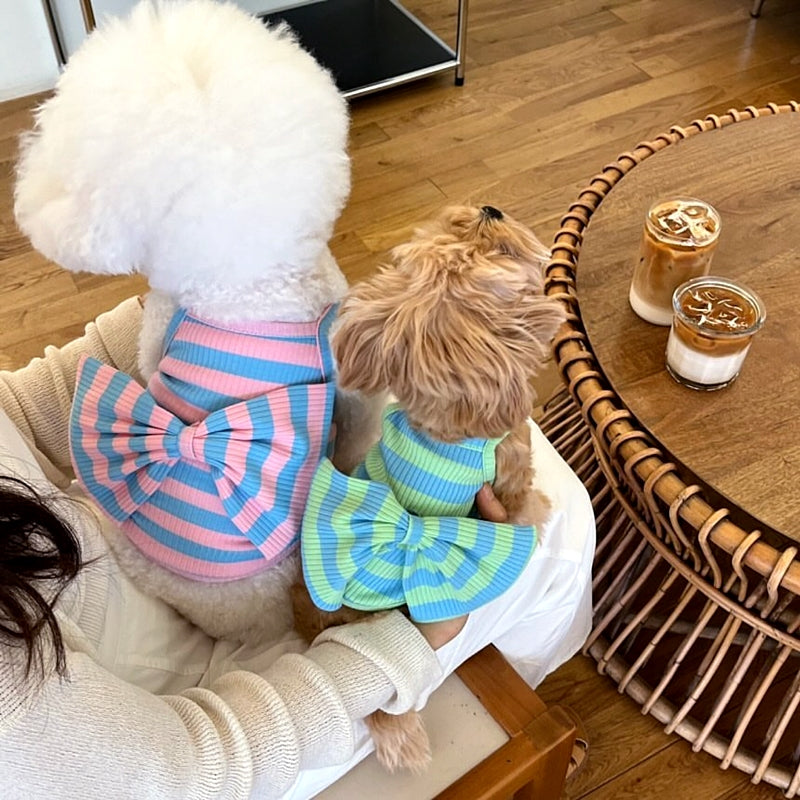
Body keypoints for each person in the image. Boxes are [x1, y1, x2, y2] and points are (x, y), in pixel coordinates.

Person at [0, 297, 595, 799]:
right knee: (555, 526)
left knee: (441, 426)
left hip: (123, 515)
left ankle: (495, 698)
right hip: (205, 712)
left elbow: (18, 412)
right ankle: (514, 707)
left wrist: (207, 309)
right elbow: (187, 773)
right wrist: (404, 642)